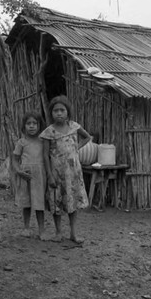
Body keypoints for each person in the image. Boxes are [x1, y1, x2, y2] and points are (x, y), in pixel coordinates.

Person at [40, 95, 91, 244]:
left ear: (68, 112)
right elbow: (45, 156)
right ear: (51, 113)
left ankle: (73, 233)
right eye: (56, 111)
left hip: (73, 173)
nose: (59, 113)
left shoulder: (74, 126)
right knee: (56, 203)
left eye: (62, 110)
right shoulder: (48, 132)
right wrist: (49, 175)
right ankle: (58, 232)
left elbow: (87, 137)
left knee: (72, 202)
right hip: (56, 173)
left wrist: (76, 148)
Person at [11, 112, 46, 239]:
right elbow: (14, 159)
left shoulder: (43, 141)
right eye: (28, 123)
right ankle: (26, 228)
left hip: (39, 177)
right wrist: (19, 171)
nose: (31, 126)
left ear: (39, 125)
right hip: (25, 176)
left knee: (39, 203)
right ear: (24, 126)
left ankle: (41, 230)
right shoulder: (22, 142)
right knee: (26, 203)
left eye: (34, 123)